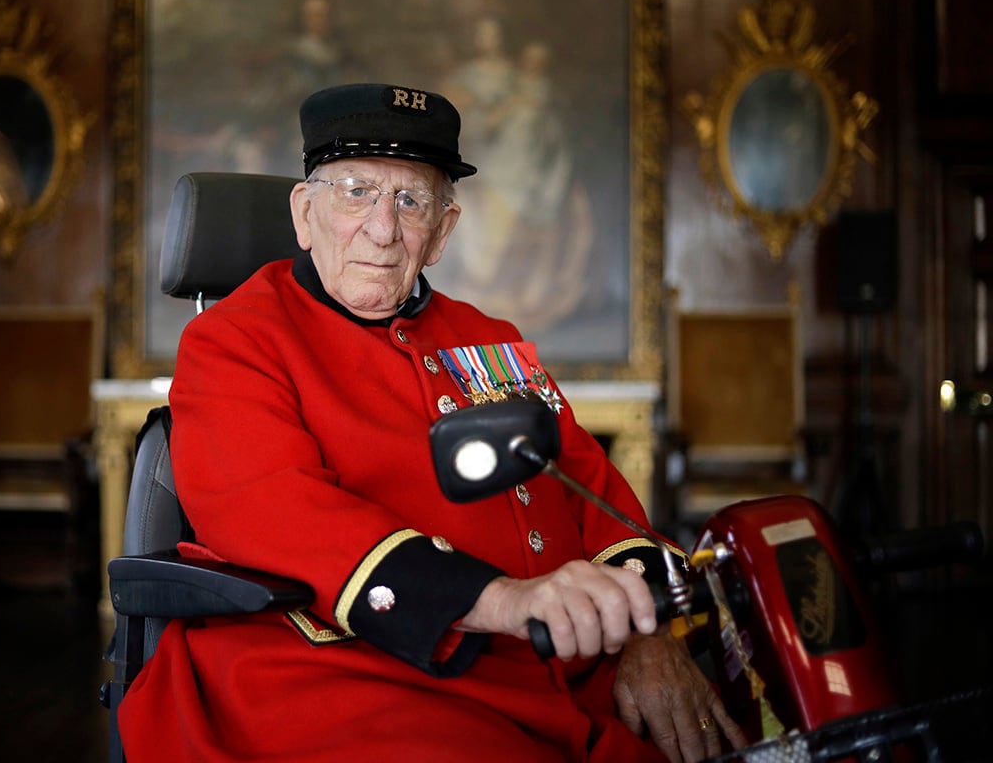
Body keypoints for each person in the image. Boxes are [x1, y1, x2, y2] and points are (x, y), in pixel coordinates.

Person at [117, 82, 746, 762]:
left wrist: (649, 636)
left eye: (410, 200)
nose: (382, 229)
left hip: (549, 670)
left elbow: (593, 494)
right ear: (305, 213)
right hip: (342, 672)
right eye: (355, 191)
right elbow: (277, 514)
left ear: (442, 231)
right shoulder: (237, 339)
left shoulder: (488, 339)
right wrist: (502, 600)